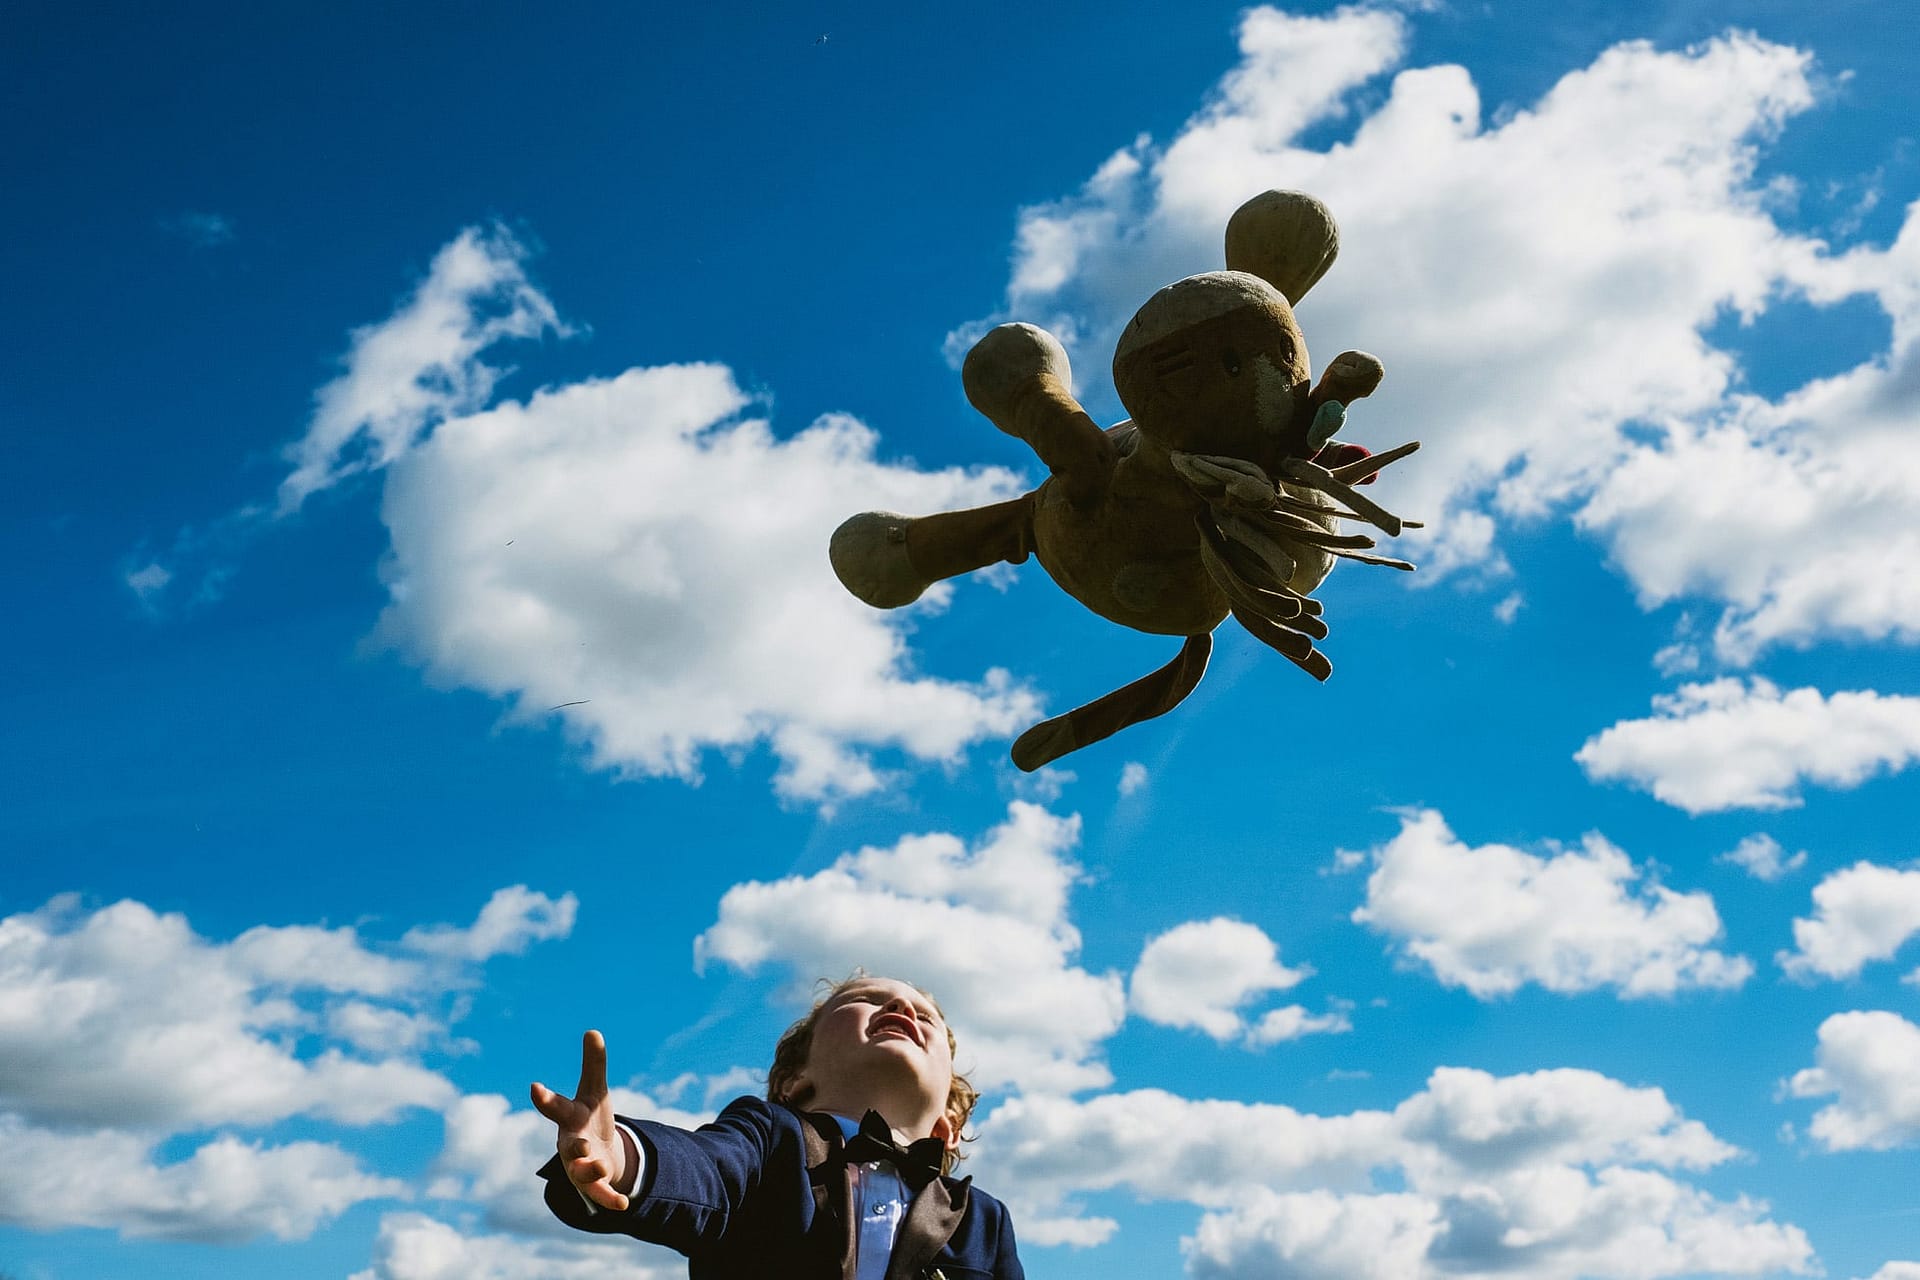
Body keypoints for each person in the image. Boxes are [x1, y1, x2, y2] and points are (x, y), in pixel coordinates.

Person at [531, 974, 1026, 1279]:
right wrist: (622, 1157)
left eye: (925, 1017)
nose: (902, 1009)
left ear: (949, 1127)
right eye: (867, 999)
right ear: (795, 1080)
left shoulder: (985, 1220)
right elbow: (705, 1169)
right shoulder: (770, 1136)